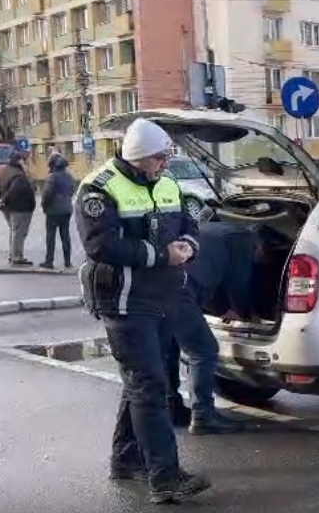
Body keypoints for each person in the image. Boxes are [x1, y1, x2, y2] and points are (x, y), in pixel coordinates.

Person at [75, 118, 210, 504]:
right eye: (159, 158)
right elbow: (101, 245)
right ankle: (164, 477)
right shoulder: (98, 188)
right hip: (123, 300)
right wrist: (162, 255)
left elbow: (189, 223)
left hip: (160, 299)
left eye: (167, 157)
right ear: (138, 157)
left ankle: (126, 458)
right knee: (149, 385)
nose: (165, 164)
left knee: (142, 382)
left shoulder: (167, 183)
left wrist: (188, 245)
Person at [164, 221, 275, 435]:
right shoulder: (243, 240)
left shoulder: (214, 229)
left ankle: (171, 408)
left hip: (158, 288)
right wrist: (245, 314)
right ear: (262, 246)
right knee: (203, 350)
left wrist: (222, 309)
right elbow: (238, 283)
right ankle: (203, 415)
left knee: (170, 346)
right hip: (180, 292)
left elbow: (210, 274)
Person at [0, 149, 36, 266]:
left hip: (8, 208)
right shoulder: (18, 175)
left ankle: (13, 255)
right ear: (19, 161)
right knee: (19, 233)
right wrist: (4, 200)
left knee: (14, 231)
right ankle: (16, 257)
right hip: (20, 208)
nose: (26, 162)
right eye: (24, 160)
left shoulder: (3, 172)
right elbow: (16, 189)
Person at [40, 154, 75, 269]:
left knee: (51, 237)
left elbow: (47, 193)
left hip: (53, 211)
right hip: (66, 210)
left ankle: (49, 261)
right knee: (65, 236)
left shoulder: (52, 177)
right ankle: (67, 262)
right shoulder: (69, 177)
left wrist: (44, 205)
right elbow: (72, 191)